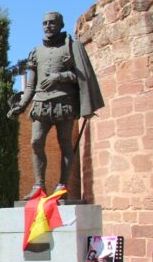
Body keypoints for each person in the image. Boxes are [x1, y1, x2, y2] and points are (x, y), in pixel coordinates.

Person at [7, 11, 104, 199]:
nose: (47, 26)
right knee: (36, 142)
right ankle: (39, 186)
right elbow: (31, 85)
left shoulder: (71, 47)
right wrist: (22, 105)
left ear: (60, 25)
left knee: (65, 143)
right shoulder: (36, 52)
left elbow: (81, 76)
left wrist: (58, 77)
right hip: (41, 104)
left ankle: (62, 186)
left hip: (64, 103)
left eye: (52, 23)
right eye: (44, 23)